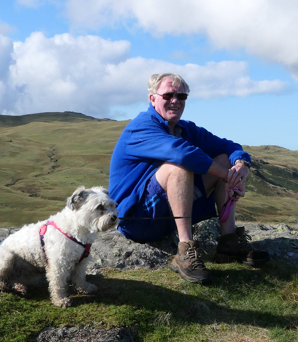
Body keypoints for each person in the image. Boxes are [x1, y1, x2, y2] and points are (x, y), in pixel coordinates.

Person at [109, 73, 269, 284]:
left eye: (181, 96)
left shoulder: (187, 129)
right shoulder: (142, 126)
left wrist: (241, 166)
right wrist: (227, 176)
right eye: (168, 95)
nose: (175, 100)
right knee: (179, 166)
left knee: (223, 159)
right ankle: (185, 250)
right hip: (138, 219)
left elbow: (227, 146)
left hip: (167, 217)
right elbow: (182, 154)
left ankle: (229, 243)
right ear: (152, 98)